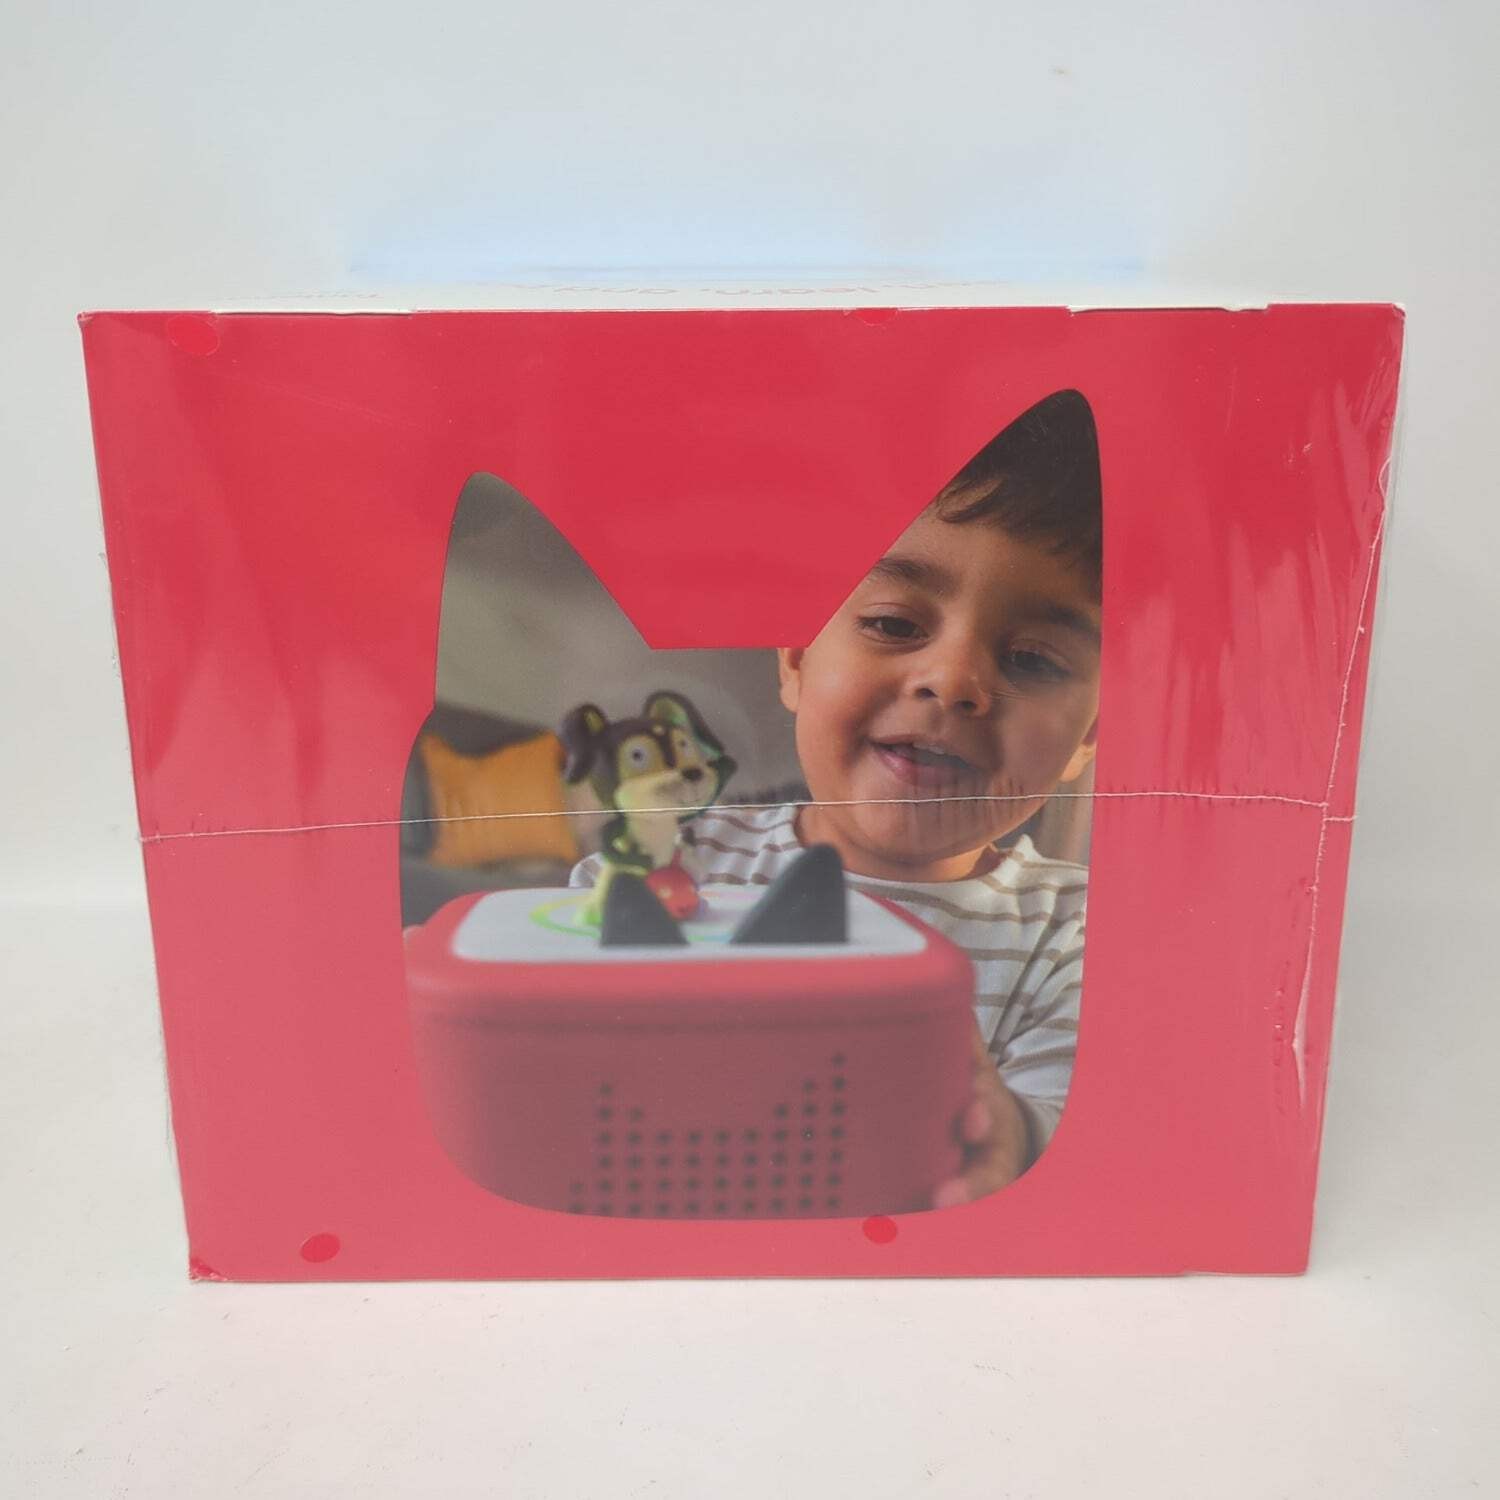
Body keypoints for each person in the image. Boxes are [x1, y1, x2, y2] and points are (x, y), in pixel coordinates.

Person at [572, 389, 1102, 1207]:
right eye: (894, 624)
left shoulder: (1075, 934)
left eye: (1032, 659)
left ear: (1090, 736)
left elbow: (1063, 1131)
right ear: (795, 660)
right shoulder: (676, 856)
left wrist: (1006, 1131)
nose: (952, 680)